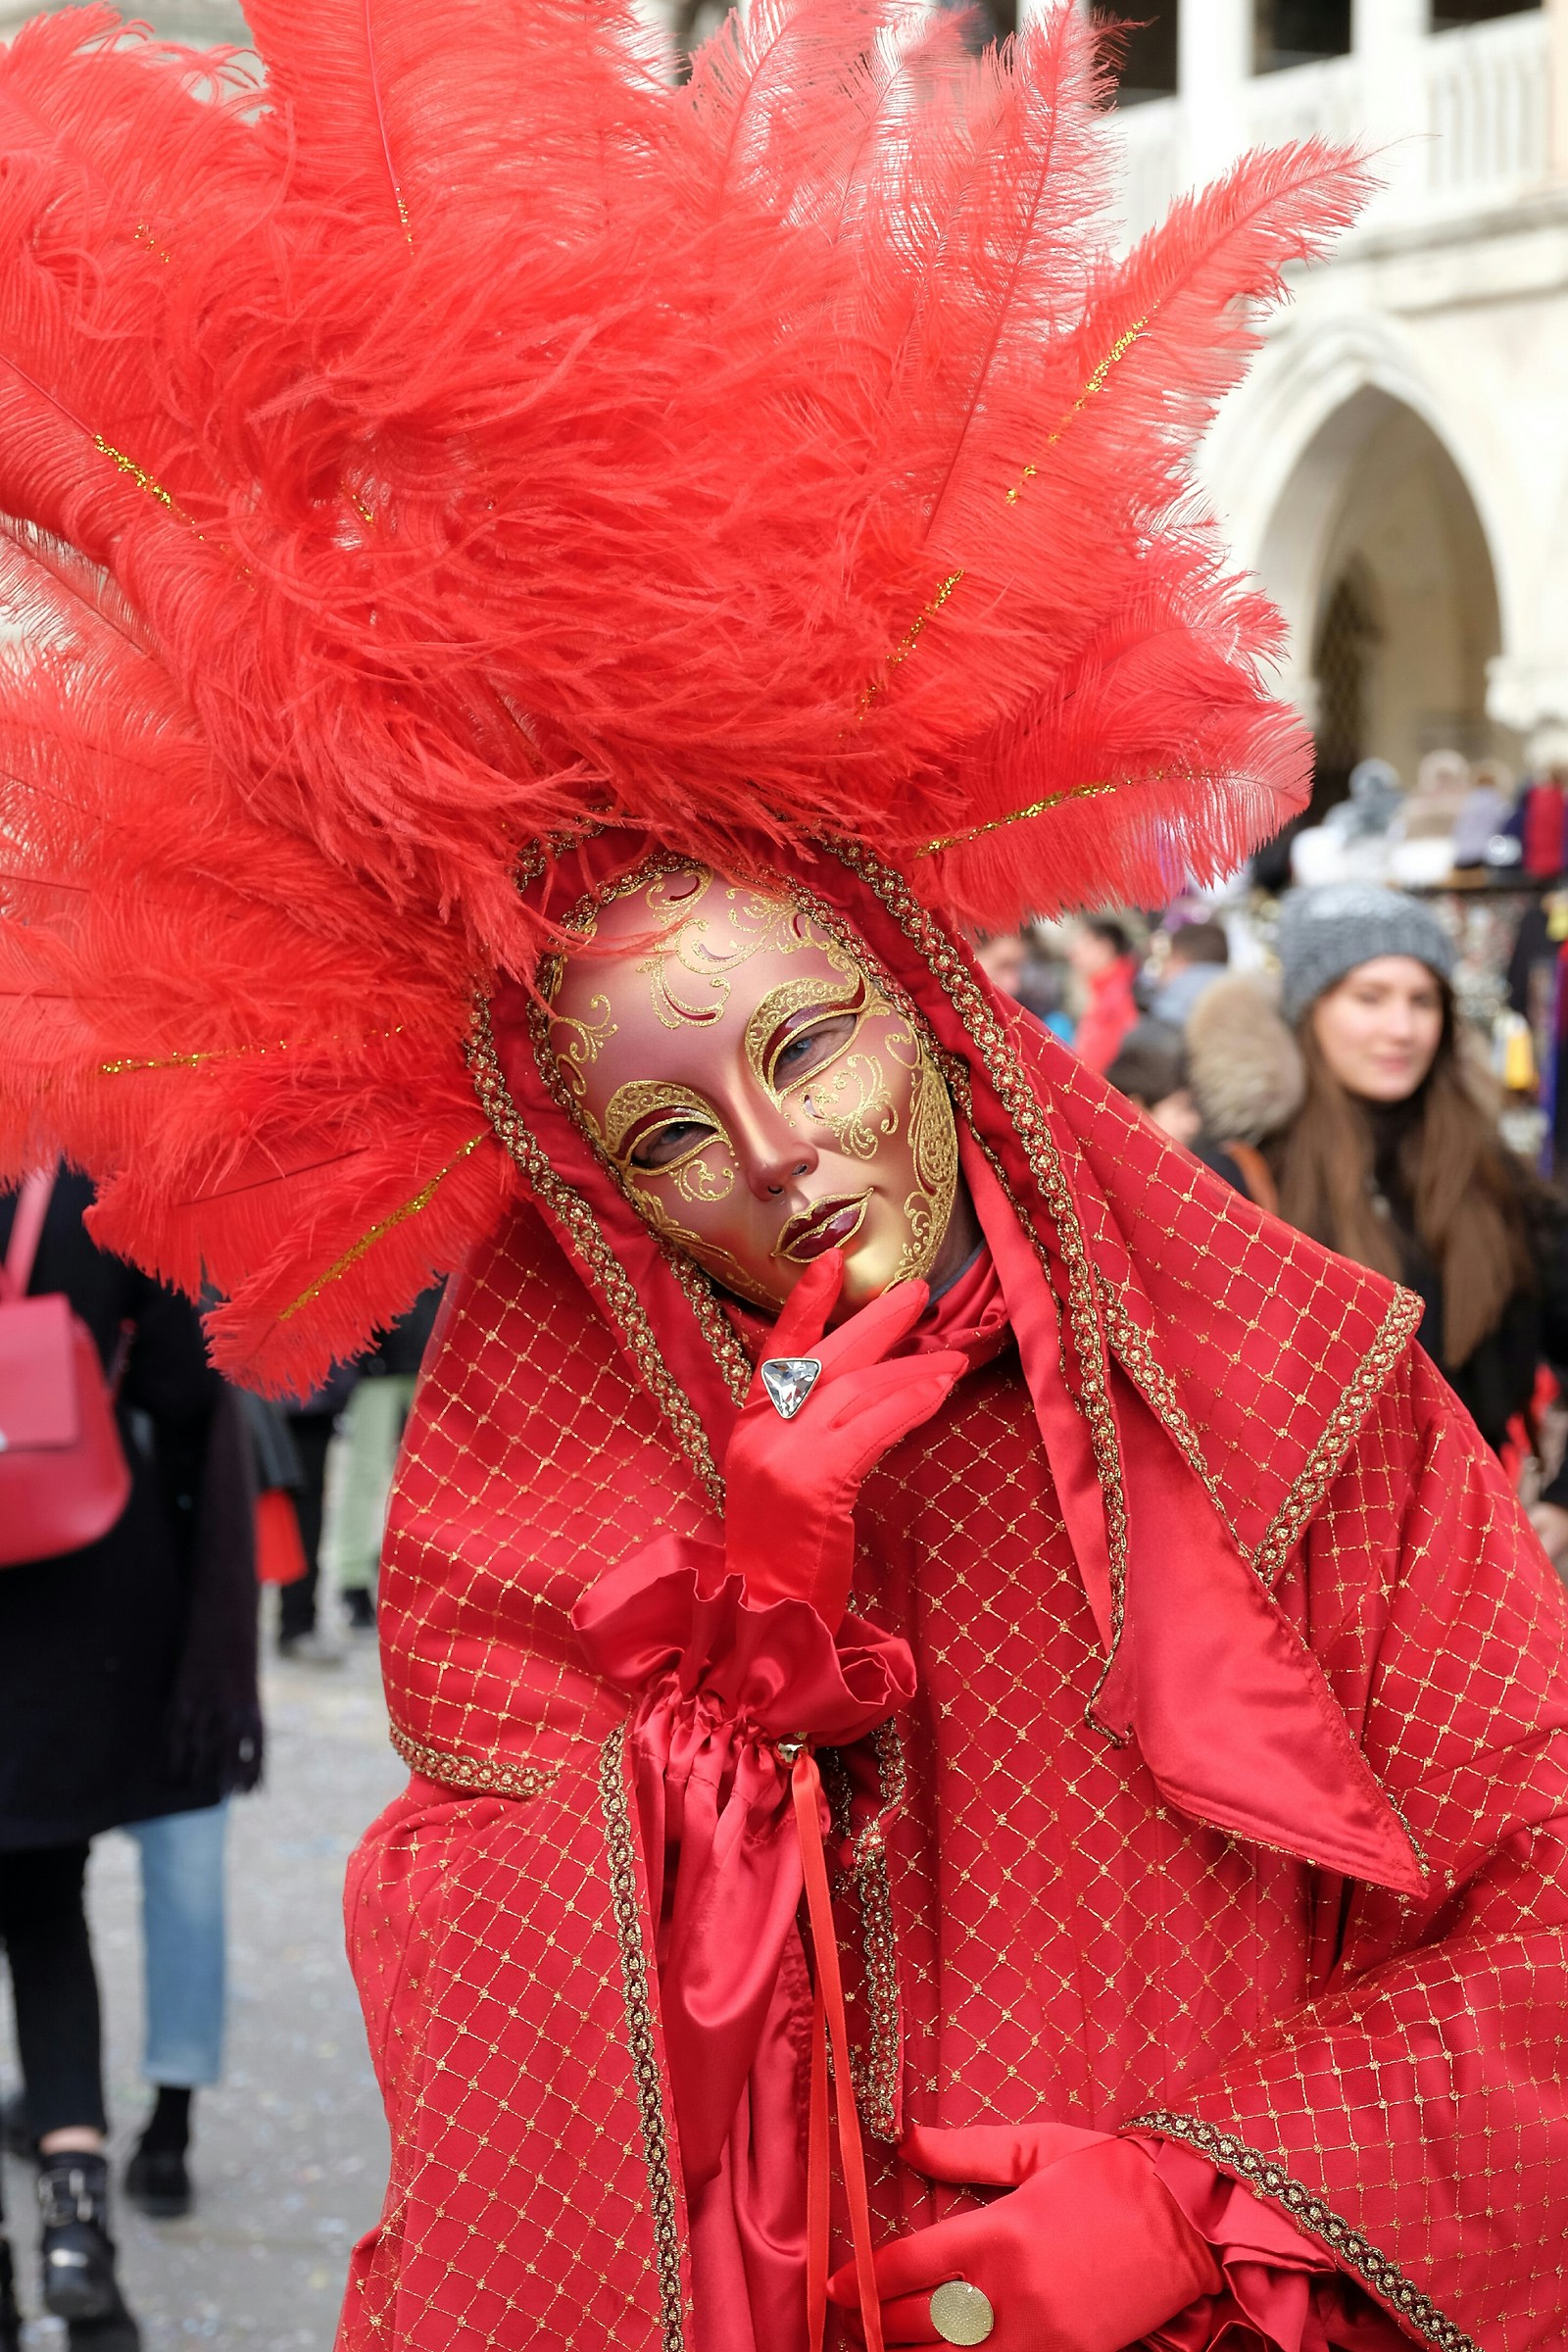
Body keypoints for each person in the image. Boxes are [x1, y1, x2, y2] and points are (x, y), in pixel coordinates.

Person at [0, 10, 1560, 2352]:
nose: (774, 1149)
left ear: (923, 996)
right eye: (660, 1132)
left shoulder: (1303, 1402)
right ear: (585, 1178)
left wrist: (1224, 2201)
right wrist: (728, 1646)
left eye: (808, 1036)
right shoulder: (533, 1523)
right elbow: (490, 2064)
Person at [0, 1171, 260, 2351]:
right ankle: (75, 2230)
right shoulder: (93, 1175)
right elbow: (176, 1378)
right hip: (76, 1598)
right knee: (47, 1916)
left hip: (61, 1612)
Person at [1220, 882, 1568, 1564]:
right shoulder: (1246, 1178)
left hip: (1481, 1563)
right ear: (1309, 1009)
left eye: (1422, 1000)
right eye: (1369, 997)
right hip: (1321, 1581)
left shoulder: (1491, 1174)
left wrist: (1560, 1496)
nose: (1402, 1029)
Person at [1065, 918, 1140, 1072]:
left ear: (1104, 948)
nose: (1072, 955)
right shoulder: (1107, 991)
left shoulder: (1119, 996)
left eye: (1084, 946)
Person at [1148, 918, 1229, 1028]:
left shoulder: (1166, 1016)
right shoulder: (1240, 1010)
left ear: (1179, 961)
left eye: (1166, 959)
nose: (1163, 969)